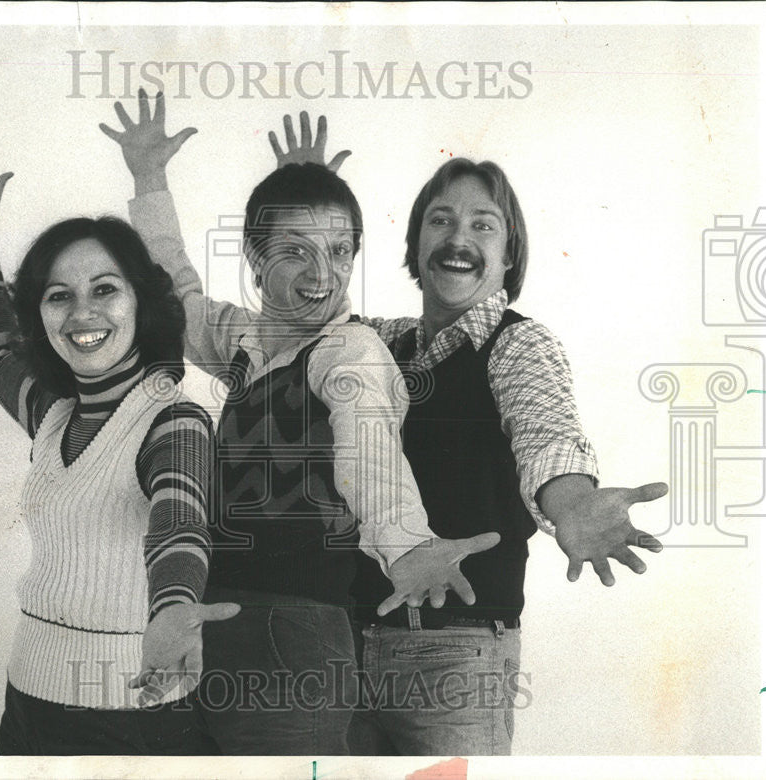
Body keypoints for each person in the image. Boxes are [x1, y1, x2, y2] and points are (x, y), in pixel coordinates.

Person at [99, 90, 504, 755]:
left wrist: (405, 544)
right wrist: (148, 178)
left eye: (340, 250)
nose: (324, 274)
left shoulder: (350, 352)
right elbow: (176, 290)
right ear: (255, 259)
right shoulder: (247, 340)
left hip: (293, 638)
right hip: (207, 621)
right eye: (295, 251)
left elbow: (368, 456)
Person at [266, 114, 669, 755]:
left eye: (483, 224)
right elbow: (300, 304)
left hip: (455, 658)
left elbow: (547, 432)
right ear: (415, 245)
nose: (459, 237)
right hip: (339, 643)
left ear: (508, 256)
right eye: (441, 220)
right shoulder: (373, 341)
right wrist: (310, 203)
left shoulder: (519, 344)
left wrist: (572, 503)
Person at [0, 141, 238, 755]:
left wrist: (174, 606)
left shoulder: (171, 418)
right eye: (59, 295)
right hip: (28, 700)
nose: (82, 312)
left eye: (105, 289)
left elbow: (179, 521)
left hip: (132, 712)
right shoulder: (53, 416)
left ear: (140, 301)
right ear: (40, 315)